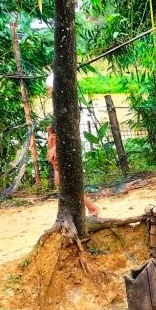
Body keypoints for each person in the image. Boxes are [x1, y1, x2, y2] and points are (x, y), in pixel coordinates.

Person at [45, 72, 101, 217]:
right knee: (60, 180)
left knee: (63, 180)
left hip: (60, 145)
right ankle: (87, 207)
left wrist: (57, 145)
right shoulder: (61, 104)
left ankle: (91, 207)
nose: (48, 91)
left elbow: (68, 127)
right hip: (56, 144)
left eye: (49, 88)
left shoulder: (67, 105)